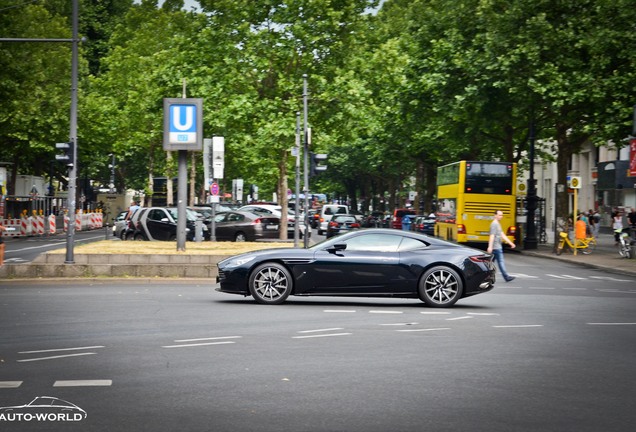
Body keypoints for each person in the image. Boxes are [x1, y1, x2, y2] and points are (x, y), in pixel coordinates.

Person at [487, 210, 516, 282]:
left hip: (497, 247)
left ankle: (486, 277)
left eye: (502, 215)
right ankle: (506, 277)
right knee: (500, 262)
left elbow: (502, 235)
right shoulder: (494, 224)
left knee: (490, 264)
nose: (501, 217)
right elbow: (492, 236)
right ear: (495, 215)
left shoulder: (497, 224)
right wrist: (490, 247)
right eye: (499, 215)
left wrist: (510, 243)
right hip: (496, 247)